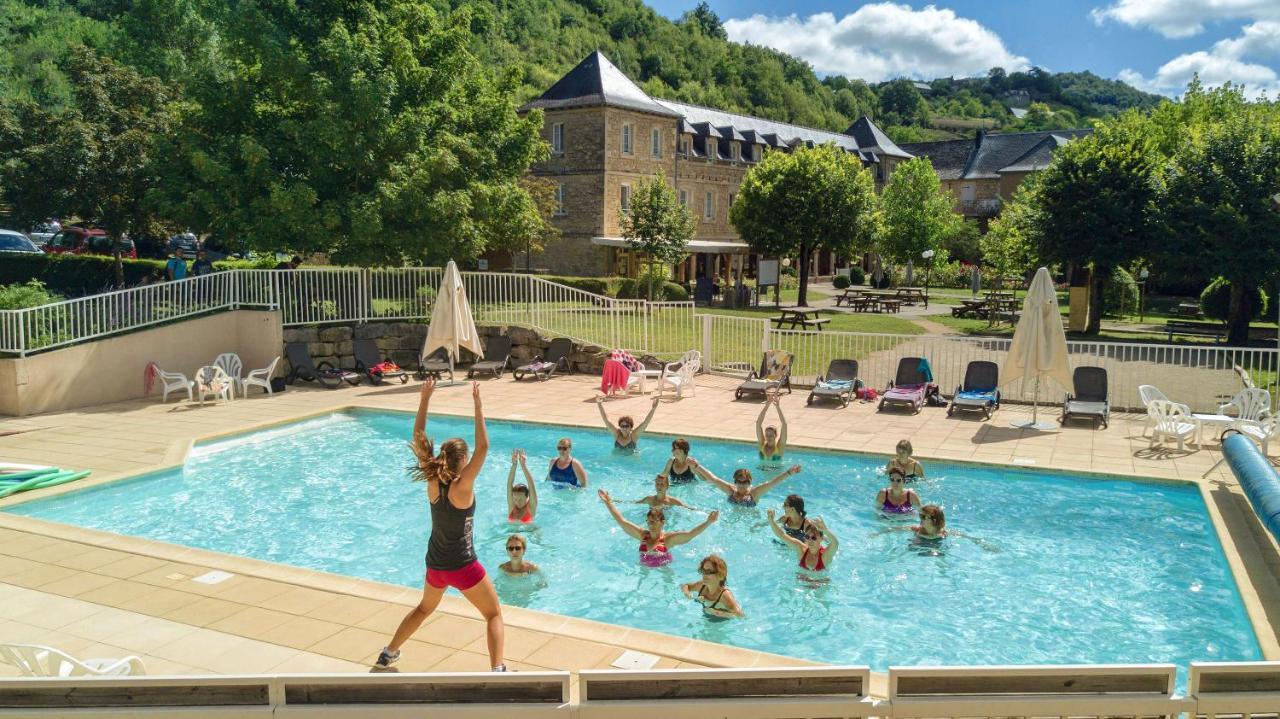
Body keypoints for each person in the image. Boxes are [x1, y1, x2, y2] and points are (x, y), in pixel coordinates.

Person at [376, 379, 506, 672]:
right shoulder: (462, 487)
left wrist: (424, 399)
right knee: (493, 614)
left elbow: (418, 437)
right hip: (463, 566)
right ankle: (498, 669)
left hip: (435, 565)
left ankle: (388, 653)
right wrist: (478, 405)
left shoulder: (433, 482)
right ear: (462, 461)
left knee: (424, 608)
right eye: (467, 457)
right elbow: (484, 447)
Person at [599, 490, 718, 567]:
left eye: (654, 522)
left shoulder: (667, 539)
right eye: (649, 522)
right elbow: (622, 521)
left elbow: (690, 534)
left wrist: (708, 522)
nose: (651, 525)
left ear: (662, 522)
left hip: (664, 570)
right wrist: (608, 503)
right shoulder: (642, 535)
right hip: (643, 568)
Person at [694, 463, 800, 507]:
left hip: (750, 523)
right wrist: (696, 466)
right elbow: (713, 478)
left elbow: (772, 483)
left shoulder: (754, 493)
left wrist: (789, 472)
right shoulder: (730, 490)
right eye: (739, 482)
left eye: (745, 482)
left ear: (750, 482)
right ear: (735, 482)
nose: (742, 485)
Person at [768, 510, 838, 573]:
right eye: (807, 537)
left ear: (821, 539)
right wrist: (771, 520)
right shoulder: (801, 549)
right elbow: (782, 535)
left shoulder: (825, 556)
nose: (810, 540)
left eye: (813, 538)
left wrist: (825, 530)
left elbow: (835, 544)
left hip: (820, 586)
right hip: (800, 585)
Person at [681, 554, 744, 619]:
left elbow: (740, 615)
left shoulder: (724, 595)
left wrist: (716, 612)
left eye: (709, 572)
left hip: (721, 623)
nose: (705, 575)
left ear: (720, 575)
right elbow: (686, 586)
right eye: (703, 571)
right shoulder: (702, 585)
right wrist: (687, 593)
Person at [756, 394, 788, 466]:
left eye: (771, 435)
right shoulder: (761, 445)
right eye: (767, 435)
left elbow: (784, 424)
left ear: (776, 435)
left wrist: (778, 407)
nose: (768, 437)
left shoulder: (780, 447)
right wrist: (767, 405)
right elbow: (758, 423)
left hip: (776, 476)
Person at [506, 449, 537, 523]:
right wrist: (514, 464)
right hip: (512, 533)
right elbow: (509, 484)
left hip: (528, 533)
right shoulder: (512, 506)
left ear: (527, 497)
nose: (517, 503)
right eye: (515, 499)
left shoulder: (531, 507)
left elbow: (531, 484)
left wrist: (523, 465)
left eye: (520, 500)